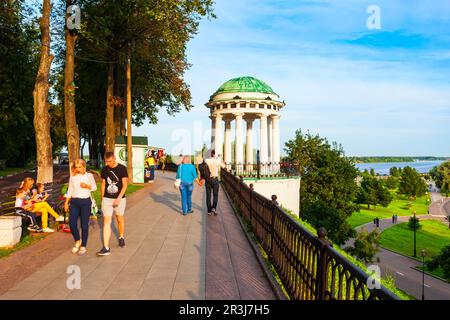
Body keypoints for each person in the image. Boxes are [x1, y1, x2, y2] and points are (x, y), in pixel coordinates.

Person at [97, 152, 129, 256]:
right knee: (107, 221)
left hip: (119, 199)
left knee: (119, 218)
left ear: (114, 158)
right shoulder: (104, 170)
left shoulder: (122, 168)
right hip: (107, 199)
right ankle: (106, 247)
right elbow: (103, 184)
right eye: (106, 161)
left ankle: (121, 236)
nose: (107, 163)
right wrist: (102, 199)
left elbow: (125, 185)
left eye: (109, 161)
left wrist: (118, 198)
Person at [64, 159, 97, 255]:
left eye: (80, 167)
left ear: (84, 166)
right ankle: (77, 241)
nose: (78, 169)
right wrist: (66, 202)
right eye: (76, 167)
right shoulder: (73, 177)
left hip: (85, 202)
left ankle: (83, 246)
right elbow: (70, 191)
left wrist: (86, 186)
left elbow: (94, 187)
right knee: (72, 223)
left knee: (84, 225)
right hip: (74, 202)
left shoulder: (88, 175)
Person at [205, 150, 225, 215]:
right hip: (215, 179)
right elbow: (224, 166)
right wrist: (220, 159)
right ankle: (214, 208)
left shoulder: (206, 161)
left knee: (208, 195)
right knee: (215, 195)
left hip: (208, 179)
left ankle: (209, 211)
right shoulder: (217, 161)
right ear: (214, 154)